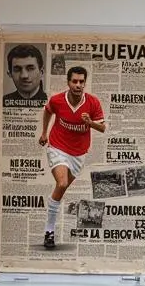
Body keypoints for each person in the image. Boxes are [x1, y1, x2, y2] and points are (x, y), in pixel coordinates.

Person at [38, 66, 105, 250]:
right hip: (57, 147)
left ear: (85, 83)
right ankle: (49, 231)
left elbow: (103, 127)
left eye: (81, 81)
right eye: (74, 81)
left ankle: (51, 212)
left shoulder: (92, 103)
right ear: (68, 82)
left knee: (62, 190)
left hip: (78, 154)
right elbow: (48, 111)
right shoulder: (58, 100)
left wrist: (89, 123)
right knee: (61, 183)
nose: (78, 85)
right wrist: (44, 133)